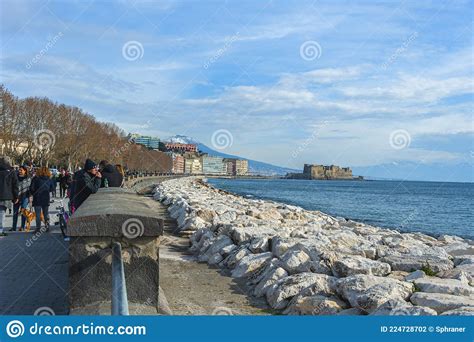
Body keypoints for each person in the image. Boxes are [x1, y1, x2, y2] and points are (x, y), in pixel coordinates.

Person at [29, 166, 53, 233]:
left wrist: (32, 194)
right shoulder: (49, 179)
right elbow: (52, 188)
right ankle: (47, 227)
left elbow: (32, 188)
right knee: (46, 214)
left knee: (38, 214)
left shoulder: (35, 179)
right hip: (46, 198)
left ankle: (38, 228)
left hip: (37, 198)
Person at [0, 156, 19, 235]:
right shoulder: (12, 172)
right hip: (6, 196)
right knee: (2, 213)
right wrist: (16, 196)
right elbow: (15, 185)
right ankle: (0, 230)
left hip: (4, 195)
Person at [11, 165, 31, 231]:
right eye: (19, 170)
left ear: (25, 171)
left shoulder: (28, 178)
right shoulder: (15, 177)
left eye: (21, 170)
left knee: (23, 212)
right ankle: (14, 227)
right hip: (16, 197)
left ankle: (22, 227)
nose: (19, 171)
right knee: (15, 212)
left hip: (25, 197)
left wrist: (30, 197)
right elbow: (13, 187)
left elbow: (30, 188)